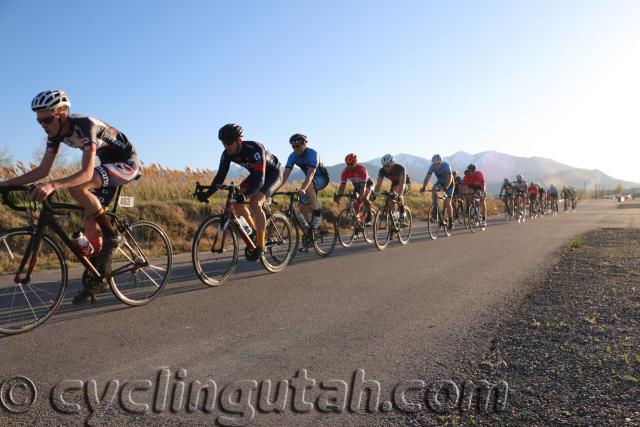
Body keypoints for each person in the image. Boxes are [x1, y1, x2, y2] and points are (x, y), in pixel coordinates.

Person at [0, 90, 140, 304]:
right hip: (106, 165)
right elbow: (42, 170)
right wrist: (6, 184)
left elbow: (85, 173)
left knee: (77, 188)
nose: (43, 125)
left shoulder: (86, 126)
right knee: (88, 220)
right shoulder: (54, 135)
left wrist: (53, 185)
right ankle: (98, 276)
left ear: (62, 114)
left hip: (126, 163)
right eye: (39, 122)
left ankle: (113, 236)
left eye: (47, 119)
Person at [198, 124, 283, 260]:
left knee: (255, 202)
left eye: (229, 143)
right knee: (236, 203)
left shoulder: (255, 149)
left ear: (239, 141)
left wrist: (245, 195)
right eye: (223, 143)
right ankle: (254, 232)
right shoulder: (227, 154)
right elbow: (220, 177)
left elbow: (260, 180)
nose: (226, 146)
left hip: (273, 175)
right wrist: (207, 194)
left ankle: (260, 246)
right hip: (256, 175)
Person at [280, 133, 330, 229]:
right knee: (303, 208)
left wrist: (303, 188)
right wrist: (273, 189)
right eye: (293, 146)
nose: (295, 148)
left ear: (304, 144)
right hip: (309, 182)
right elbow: (285, 175)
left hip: (322, 178)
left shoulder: (312, 154)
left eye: (298, 146)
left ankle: (317, 212)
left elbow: (311, 174)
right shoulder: (292, 156)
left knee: (308, 186)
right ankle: (309, 233)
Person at [333, 153, 373, 223]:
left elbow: (363, 186)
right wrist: (339, 197)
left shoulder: (362, 169)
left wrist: (360, 197)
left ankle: (369, 213)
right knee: (355, 205)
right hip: (357, 187)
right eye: (347, 164)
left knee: (363, 198)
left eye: (351, 164)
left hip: (367, 185)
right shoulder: (345, 171)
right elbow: (342, 186)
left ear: (355, 162)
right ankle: (358, 222)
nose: (349, 166)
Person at [420, 154, 454, 230]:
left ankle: (451, 221)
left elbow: (450, 178)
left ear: (441, 162)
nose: (436, 166)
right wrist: (424, 187)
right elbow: (427, 177)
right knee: (433, 189)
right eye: (434, 164)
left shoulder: (446, 166)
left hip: (449, 184)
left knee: (448, 203)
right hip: (440, 183)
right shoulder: (432, 167)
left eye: (438, 164)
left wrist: (445, 188)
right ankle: (435, 209)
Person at [372, 154, 409, 221]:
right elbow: (378, 185)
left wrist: (399, 196)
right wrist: (375, 194)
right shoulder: (382, 171)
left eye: (388, 166)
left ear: (392, 164)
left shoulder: (400, 169)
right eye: (384, 166)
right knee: (390, 200)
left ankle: (402, 211)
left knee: (397, 195)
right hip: (394, 184)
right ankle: (394, 219)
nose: (386, 168)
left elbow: (402, 185)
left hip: (405, 184)